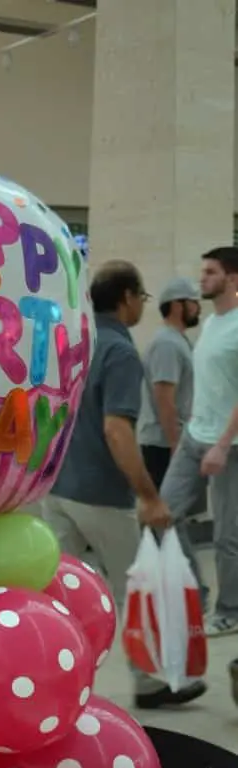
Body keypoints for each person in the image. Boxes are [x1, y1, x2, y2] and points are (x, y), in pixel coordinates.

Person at [43, 259, 205, 709]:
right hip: (101, 492)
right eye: (142, 298)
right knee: (133, 588)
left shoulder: (73, 342)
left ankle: (53, 679)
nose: (142, 307)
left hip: (59, 488)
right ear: (128, 297)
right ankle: (149, 681)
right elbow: (118, 430)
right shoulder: (119, 351)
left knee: (60, 593)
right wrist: (148, 495)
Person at [160, 247, 238, 638]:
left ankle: (230, 611)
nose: (202, 279)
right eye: (202, 270)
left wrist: (223, 444)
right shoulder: (210, 325)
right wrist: (192, 426)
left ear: (233, 279)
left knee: (227, 536)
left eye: (210, 272)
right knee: (161, 515)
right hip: (195, 436)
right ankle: (198, 593)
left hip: (231, 445)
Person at [138, 278, 201, 486]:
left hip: (175, 443)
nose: (198, 307)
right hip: (164, 446)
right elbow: (164, 398)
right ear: (177, 305)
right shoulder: (167, 344)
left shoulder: (177, 340)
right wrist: (176, 445)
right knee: (166, 511)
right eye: (193, 301)